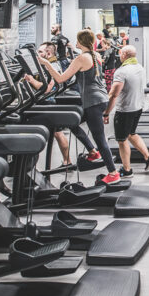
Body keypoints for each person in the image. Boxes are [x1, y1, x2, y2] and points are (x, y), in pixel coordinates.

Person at [39, 29, 121, 184]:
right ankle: (92, 152)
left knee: (100, 139)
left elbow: (61, 78)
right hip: (98, 98)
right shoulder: (94, 55)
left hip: (93, 102)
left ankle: (113, 172)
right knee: (71, 122)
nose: (75, 43)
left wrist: (46, 64)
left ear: (82, 42)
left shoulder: (82, 57)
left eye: (77, 40)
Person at [103, 45, 149, 177]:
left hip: (125, 110)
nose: (119, 56)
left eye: (120, 54)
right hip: (138, 107)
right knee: (131, 133)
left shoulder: (122, 71)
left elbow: (113, 94)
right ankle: (148, 157)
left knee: (121, 140)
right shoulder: (140, 67)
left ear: (124, 55)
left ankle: (127, 170)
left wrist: (106, 112)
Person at [24, 42, 73, 167]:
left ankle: (66, 161)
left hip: (47, 101)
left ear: (49, 53)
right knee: (57, 133)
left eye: (40, 52)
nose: (38, 54)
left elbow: (47, 88)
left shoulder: (51, 66)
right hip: (45, 101)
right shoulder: (49, 64)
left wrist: (31, 80)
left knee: (50, 133)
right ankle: (67, 161)